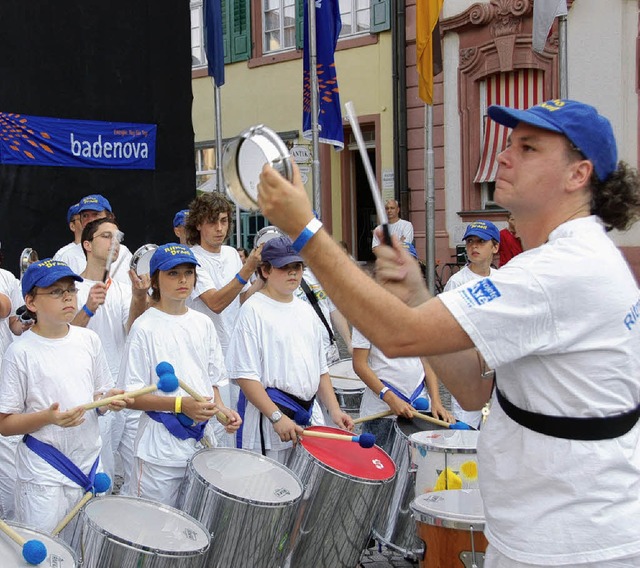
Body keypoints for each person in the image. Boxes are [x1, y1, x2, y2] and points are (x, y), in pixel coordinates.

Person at [257, 99, 640, 566]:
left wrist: (305, 229)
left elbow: (399, 336)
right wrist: (419, 296)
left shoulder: (559, 270)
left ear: (577, 175)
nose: (502, 155)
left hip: (571, 545)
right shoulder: (572, 260)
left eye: (529, 147)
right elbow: (474, 388)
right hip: (554, 533)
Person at [0, 259, 128, 533]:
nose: (68, 296)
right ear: (31, 302)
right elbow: (5, 423)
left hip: (90, 466)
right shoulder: (20, 352)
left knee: (85, 550)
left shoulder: (88, 340)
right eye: (56, 291)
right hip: (44, 476)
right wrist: (48, 418)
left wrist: (109, 402)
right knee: (46, 553)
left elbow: (99, 396)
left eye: (71, 289)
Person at [119, 243, 241, 508]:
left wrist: (222, 412)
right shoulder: (144, 328)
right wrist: (178, 404)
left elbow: (212, 382)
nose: (183, 279)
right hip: (158, 453)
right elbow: (130, 396)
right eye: (173, 273)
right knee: (151, 532)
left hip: (200, 445)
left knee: (191, 531)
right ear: (156, 280)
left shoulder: (203, 323)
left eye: (188, 272)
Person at [226, 236, 354, 464]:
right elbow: (246, 376)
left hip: (308, 416)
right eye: (284, 267)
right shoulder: (252, 311)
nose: (293, 273)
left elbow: (320, 369)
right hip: (269, 422)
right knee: (269, 493)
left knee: (308, 492)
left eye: (297, 267)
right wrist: (276, 417)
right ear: (265, 271)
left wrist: (334, 411)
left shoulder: (305, 311)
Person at [72, 217, 150, 490]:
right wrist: (88, 308)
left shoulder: (121, 288)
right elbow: (63, 338)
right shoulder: (70, 288)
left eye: (118, 237)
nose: (114, 242)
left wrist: (140, 296)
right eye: (106, 236)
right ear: (87, 244)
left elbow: (132, 328)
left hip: (125, 391)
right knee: (100, 476)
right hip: (94, 396)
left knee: (135, 473)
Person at [353, 243, 453, 448]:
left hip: (419, 408)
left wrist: (436, 400)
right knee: (384, 475)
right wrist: (388, 397)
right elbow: (360, 364)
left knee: (418, 473)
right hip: (381, 412)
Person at [185, 193, 262, 444]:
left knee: (236, 424)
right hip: (205, 356)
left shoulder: (230, 254)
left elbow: (242, 298)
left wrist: (264, 276)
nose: (219, 228)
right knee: (215, 428)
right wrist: (247, 269)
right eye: (212, 222)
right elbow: (216, 303)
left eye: (224, 221)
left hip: (235, 352)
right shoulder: (192, 258)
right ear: (198, 224)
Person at [55, 194, 134, 284]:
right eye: (85, 216)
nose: (90, 220)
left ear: (110, 217)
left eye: (96, 214)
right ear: (87, 245)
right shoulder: (66, 256)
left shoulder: (124, 252)